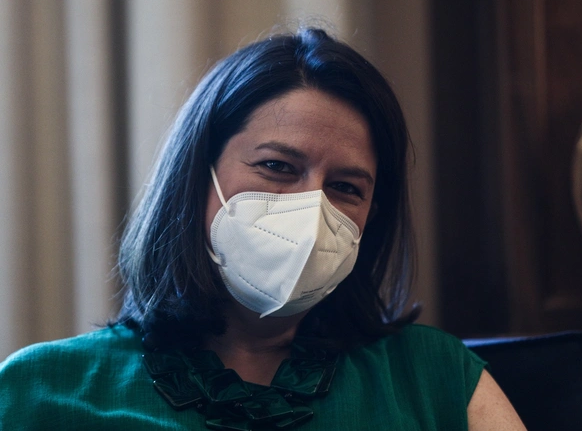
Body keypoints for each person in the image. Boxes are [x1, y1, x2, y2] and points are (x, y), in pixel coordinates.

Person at [0, 28, 525, 430]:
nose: (311, 209)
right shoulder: (40, 389)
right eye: (277, 166)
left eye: (346, 187)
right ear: (196, 176)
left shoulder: (433, 378)